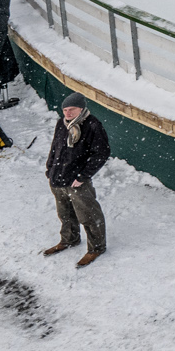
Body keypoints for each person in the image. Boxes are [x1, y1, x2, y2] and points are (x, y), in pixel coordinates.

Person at [42, 97, 111, 265]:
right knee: (65, 214)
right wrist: (50, 169)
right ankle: (69, 239)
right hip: (58, 178)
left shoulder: (92, 125)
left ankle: (96, 247)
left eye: (72, 109)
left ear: (81, 109)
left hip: (76, 181)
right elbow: (55, 147)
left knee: (88, 215)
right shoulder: (62, 123)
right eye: (65, 110)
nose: (68, 113)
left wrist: (82, 176)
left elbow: (101, 153)